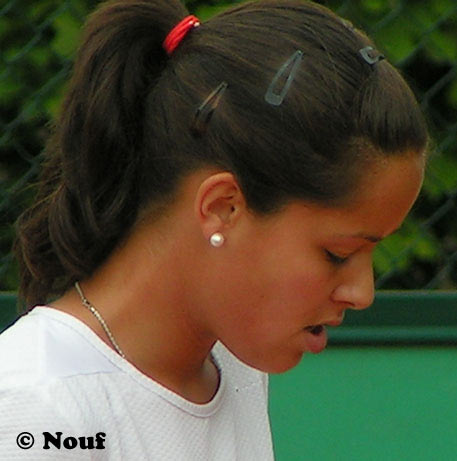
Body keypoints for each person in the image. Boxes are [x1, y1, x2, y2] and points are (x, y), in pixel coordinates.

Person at [0, 0, 428, 459]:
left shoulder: (235, 367)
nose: (362, 294)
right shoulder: (37, 408)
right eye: (338, 253)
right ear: (223, 207)